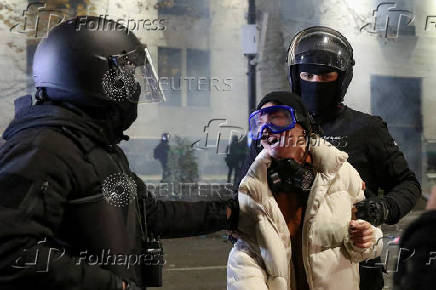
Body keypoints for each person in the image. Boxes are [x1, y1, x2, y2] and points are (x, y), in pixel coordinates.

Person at [0, 16, 238, 290]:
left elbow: (148, 215)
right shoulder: (43, 148)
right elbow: (11, 251)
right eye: (124, 76)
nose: (133, 87)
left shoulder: (95, 146)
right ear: (90, 76)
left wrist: (229, 213)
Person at [236, 26, 421, 290]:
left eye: (325, 76)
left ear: (342, 79)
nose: (316, 82)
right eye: (307, 74)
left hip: (356, 267)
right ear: (295, 77)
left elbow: (408, 184)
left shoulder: (367, 129)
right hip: (288, 272)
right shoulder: (273, 131)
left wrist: (384, 208)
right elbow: (243, 194)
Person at [227, 92, 383, 290]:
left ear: (304, 127)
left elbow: (371, 242)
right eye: (261, 123)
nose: (267, 130)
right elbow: (245, 253)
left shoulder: (343, 174)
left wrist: (367, 239)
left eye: (277, 119)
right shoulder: (252, 187)